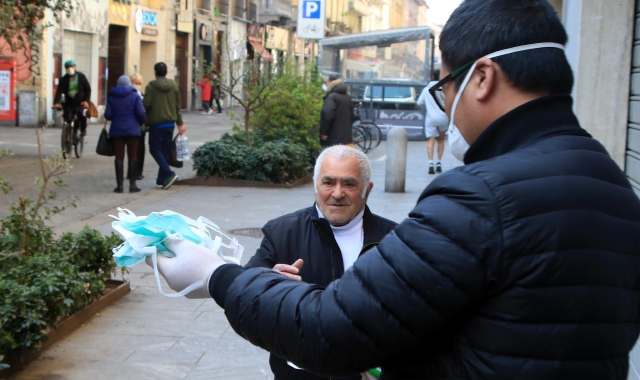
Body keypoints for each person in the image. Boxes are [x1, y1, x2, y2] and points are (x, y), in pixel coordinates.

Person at [149, 1, 640, 379]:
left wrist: (217, 275)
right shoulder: (614, 186)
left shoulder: (480, 197)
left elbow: (331, 332)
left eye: (445, 86)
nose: (445, 108)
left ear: (483, 78)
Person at [244, 145, 397, 380]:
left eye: (349, 183)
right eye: (328, 182)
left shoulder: (394, 241)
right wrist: (268, 282)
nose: (337, 193)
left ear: (368, 189)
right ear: (316, 186)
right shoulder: (282, 232)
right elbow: (242, 296)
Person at [142, 62, 186, 190]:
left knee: (154, 149)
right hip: (170, 124)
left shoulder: (151, 86)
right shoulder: (174, 86)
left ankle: (169, 173)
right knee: (165, 151)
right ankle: (161, 180)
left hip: (156, 124)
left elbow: (146, 105)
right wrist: (180, 123)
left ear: (155, 72)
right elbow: (178, 105)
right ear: (166, 72)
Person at [104, 75, 146, 193]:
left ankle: (120, 186)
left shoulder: (112, 96)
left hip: (117, 130)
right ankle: (132, 185)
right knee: (133, 156)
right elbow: (141, 112)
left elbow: (107, 115)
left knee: (119, 157)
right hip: (133, 130)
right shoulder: (134, 95)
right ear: (129, 84)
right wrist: (140, 123)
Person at [416, 78, 449, 174]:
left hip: (430, 119)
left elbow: (419, 103)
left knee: (431, 140)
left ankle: (431, 163)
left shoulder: (426, 90)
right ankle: (439, 162)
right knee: (441, 140)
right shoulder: (442, 88)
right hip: (443, 117)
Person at [53, 60, 91, 136]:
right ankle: (67, 135)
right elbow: (59, 92)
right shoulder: (63, 79)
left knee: (82, 115)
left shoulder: (81, 77)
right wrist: (56, 103)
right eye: (68, 67)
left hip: (81, 102)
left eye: (71, 66)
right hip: (69, 103)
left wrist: (86, 101)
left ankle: (83, 129)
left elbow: (88, 89)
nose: (70, 68)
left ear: (75, 67)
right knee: (67, 117)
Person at [320, 75, 354, 147]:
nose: (325, 84)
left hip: (333, 137)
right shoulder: (347, 96)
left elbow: (327, 115)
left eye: (326, 82)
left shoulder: (331, 97)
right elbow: (352, 116)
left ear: (331, 83)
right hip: (346, 138)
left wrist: (324, 132)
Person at [129, 72, 146, 180]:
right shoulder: (130, 95)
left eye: (139, 83)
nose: (137, 85)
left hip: (142, 126)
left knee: (141, 149)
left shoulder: (143, 95)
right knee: (133, 150)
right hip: (132, 125)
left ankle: (139, 171)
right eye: (135, 83)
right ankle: (132, 172)